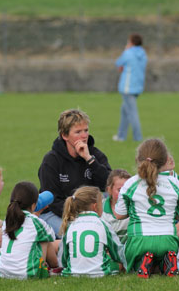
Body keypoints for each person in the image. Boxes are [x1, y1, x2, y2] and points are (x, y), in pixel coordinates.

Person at [114, 138, 179, 278]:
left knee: (129, 258)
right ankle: (165, 262)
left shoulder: (131, 184)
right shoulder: (177, 184)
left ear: (138, 159)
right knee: (161, 252)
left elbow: (119, 215)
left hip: (139, 241)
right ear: (165, 161)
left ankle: (143, 264)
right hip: (168, 240)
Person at [38, 109, 112, 238]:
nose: (84, 135)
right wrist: (79, 217)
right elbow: (53, 200)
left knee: (107, 233)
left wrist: (89, 160)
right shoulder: (51, 161)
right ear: (64, 135)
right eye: (78, 132)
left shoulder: (95, 155)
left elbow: (108, 186)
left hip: (89, 213)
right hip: (56, 213)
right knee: (77, 235)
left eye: (86, 130)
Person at [0, 181, 58, 279]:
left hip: (2, 271)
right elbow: (52, 237)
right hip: (28, 274)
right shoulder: (36, 222)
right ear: (34, 205)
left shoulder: (7, 220)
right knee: (45, 239)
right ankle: (55, 267)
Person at [60, 186, 126, 277]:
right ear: (95, 206)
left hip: (72, 273)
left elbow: (63, 258)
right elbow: (117, 252)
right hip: (99, 273)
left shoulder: (70, 225)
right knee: (118, 264)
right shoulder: (103, 224)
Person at [113, 33, 147, 142]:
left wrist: (126, 49)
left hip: (128, 88)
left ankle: (138, 138)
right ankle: (121, 136)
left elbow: (118, 63)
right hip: (138, 87)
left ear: (131, 42)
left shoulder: (128, 53)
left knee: (132, 113)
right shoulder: (143, 54)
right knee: (124, 111)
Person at [101, 169, 132, 244]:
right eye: (120, 190)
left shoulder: (135, 208)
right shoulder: (99, 209)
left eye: (128, 189)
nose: (124, 193)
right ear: (109, 190)